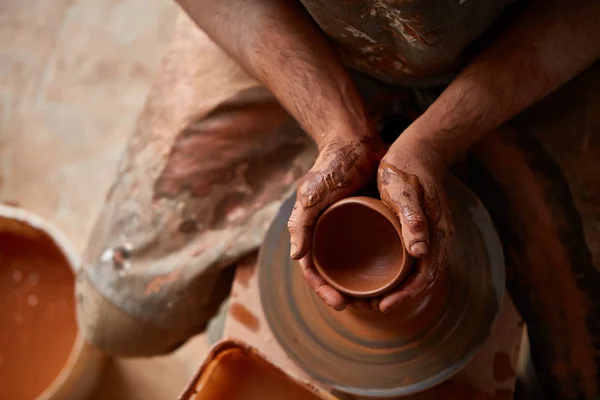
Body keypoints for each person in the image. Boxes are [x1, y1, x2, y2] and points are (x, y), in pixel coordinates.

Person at [75, 0, 600, 398]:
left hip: (529, 54)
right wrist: (336, 128)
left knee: (580, 377)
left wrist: (439, 137)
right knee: (118, 317)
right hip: (291, 36)